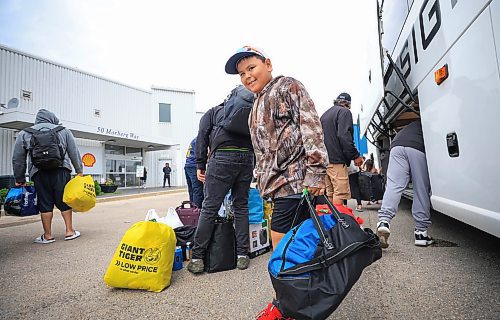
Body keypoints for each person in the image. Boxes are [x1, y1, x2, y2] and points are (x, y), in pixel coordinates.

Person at [225, 46, 328, 319]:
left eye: (251, 68)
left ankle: (283, 304)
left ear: (267, 64)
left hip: (295, 181)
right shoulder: (254, 105)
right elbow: (261, 150)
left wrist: (317, 171)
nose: (247, 76)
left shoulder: (288, 86)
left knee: (280, 248)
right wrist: (259, 179)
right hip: (274, 187)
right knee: (297, 247)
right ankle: (301, 300)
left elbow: (311, 126)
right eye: (241, 73)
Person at [187, 86, 255, 274]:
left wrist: (200, 164)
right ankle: (242, 255)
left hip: (222, 158)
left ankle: (198, 257)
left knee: (210, 207)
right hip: (247, 159)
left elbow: (202, 138)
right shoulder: (250, 113)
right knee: (241, 206)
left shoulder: (213, 112)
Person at [12, 109, 83, 244]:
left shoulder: (25, 133)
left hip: (39, 172)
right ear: (52, 118)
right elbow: (74, 151)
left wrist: (19, 178)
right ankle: (69, 231)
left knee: (45, 202)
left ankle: (48, 235)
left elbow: (18, 158)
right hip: (61, 170)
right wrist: (79, 170)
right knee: (63, 200)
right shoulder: (63, 130)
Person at [376, 119, 433, 248]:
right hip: (417, 146)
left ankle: (384, 222)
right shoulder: (430, 123)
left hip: (396, 145)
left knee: (394, 185)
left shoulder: (413, 124)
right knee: (421, 188)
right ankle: (421, 233)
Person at [320, 92, 364, 206]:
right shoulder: (344, 112)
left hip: (324, 161)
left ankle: (330, 221)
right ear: (348, 104)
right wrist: (355, 155)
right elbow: (344, 136)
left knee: (330, 192)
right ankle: (339, 222)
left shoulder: (324, 115)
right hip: (337, 161)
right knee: (340, 193)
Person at [184, 137, 204, 208]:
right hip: (194, 166)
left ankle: (192, 210)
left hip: (188, 165)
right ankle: (197, 211)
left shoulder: (194, 139)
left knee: (192, 190)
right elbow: (201, 154)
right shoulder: (200, 139)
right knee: (198, 191)